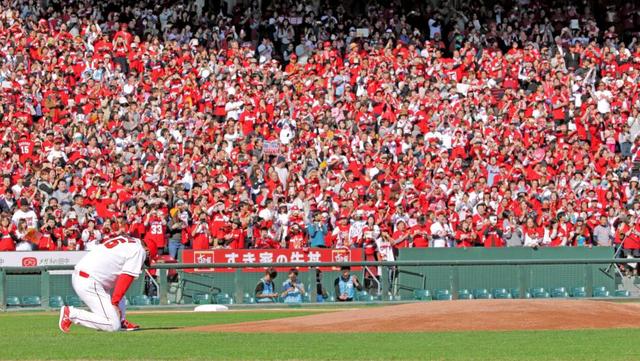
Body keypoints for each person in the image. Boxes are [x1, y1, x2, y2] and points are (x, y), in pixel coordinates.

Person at [58, 235, 149, 333]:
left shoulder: (127, 241)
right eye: (146, 259)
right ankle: (72, 313)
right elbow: (125, 278)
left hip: (90, 277)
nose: (143, 263)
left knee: (118, 293)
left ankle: (121, 321)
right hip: (90, 281)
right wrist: (115, 303)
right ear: (147, 250)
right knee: (113, 325)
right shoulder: (139, 250)